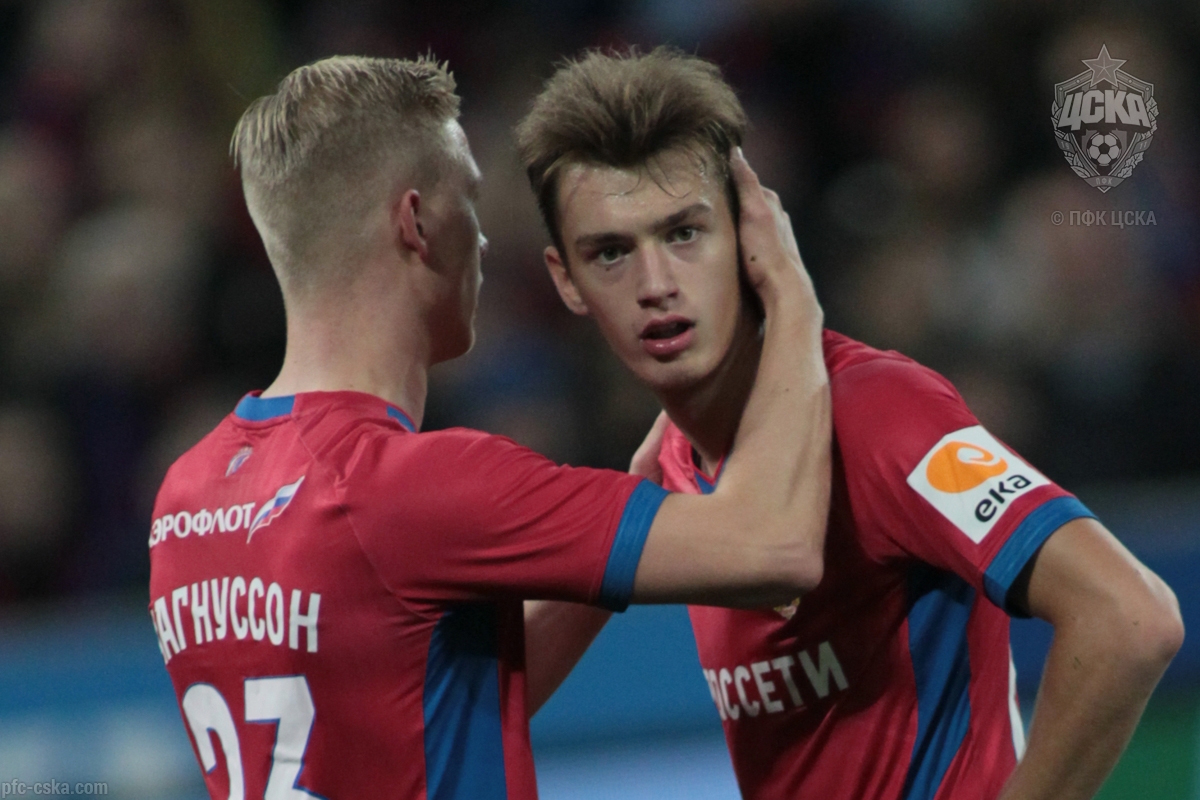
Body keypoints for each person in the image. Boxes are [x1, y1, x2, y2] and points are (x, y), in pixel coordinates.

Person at [147, 54, 833, 800]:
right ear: (416, 223)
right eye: (468, 198)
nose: (481, 240)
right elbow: (776, 547)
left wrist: (645, 478)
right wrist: (788, 290)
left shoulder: (187, 497)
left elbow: (438, 702)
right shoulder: (412, 485)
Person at [516, 47, 1184, 800]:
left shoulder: (881, 413)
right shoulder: (668, 462)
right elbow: (491, 703)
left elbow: (1130, 618)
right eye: (611, 252)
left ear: (751, 233)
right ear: (566, 280)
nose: (656, 284)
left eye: (684, 233)